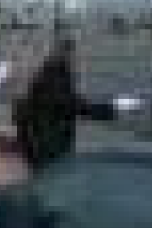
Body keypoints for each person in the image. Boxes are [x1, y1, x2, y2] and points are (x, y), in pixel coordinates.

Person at [13, 34, 116, 171]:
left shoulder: (47, 74)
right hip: (48, 143)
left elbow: (69, 102)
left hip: (39, 141)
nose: (75, 60)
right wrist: (110, 109)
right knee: (51, 175)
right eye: (73, 55)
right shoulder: (56, 75)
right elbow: (72, 105)